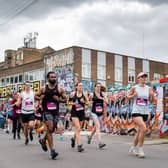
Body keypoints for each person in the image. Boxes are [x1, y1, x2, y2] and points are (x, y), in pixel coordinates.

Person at [36, 71, 67, 160]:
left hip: (55, 112)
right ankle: (52, 151)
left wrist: (59, 100)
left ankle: (43, 140)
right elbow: (36, 96)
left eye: (55, 77)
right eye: (52, 77)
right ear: (48, 78)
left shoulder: (60, 89)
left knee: (52, 129)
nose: (54, 78)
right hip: (47, 111)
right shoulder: (43, 89)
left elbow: (65, 99)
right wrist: (40, 98)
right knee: (50, 128)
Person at [128, 72, 154, 158]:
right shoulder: (134, 88)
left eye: (145, 77)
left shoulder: (149, 88)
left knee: (139, 131)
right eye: (142, 77)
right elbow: (128, 97)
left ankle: (133, 148)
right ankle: (140, 149)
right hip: (136, 111)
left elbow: (151, 101)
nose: (144, 78)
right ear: (138, 78)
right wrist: (133, 95)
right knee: (143, 128)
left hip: (145, 112)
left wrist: (152, 96)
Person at [69, 82, 89, 152]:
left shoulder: (85, 94)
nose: (81, 87)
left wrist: (83, 102)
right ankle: (79, 146)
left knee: (78, 129)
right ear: (76, 87)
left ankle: (73, 139)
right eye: (80, 86)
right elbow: (69, 103)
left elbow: (88, 103)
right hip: (74, 113)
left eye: (82, 86)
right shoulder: (72, 94)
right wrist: (74, 103)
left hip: (81, 113)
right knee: (78, 128)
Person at [87, 82, 108, 149]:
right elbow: (87, 102)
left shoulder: (103, 94)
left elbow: (107, 102)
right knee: (98, 126)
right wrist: (90, 102)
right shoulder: (92, 94)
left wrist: (102, 98)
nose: (98, 88)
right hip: (94, 113)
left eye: (99, 87)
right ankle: (100, 143)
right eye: (97, 87)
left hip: (100, 113)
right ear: (95, 87)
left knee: (96, 127)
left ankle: (90, 137)